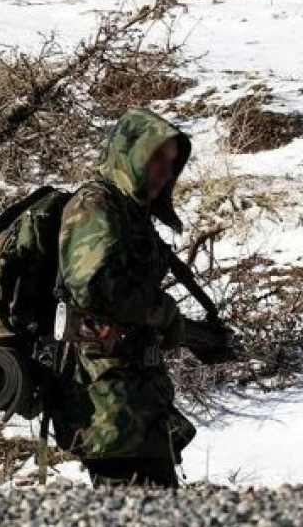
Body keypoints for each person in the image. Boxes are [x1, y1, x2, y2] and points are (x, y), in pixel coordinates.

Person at [52, 108, 196, 488]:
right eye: (156, 157)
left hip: (134, 404)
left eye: (171, 162)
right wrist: (161, 312)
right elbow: (92, 284)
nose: (165, 170)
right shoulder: (95, 205)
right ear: (130, 153)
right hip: (108, 405)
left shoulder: (131, 214)